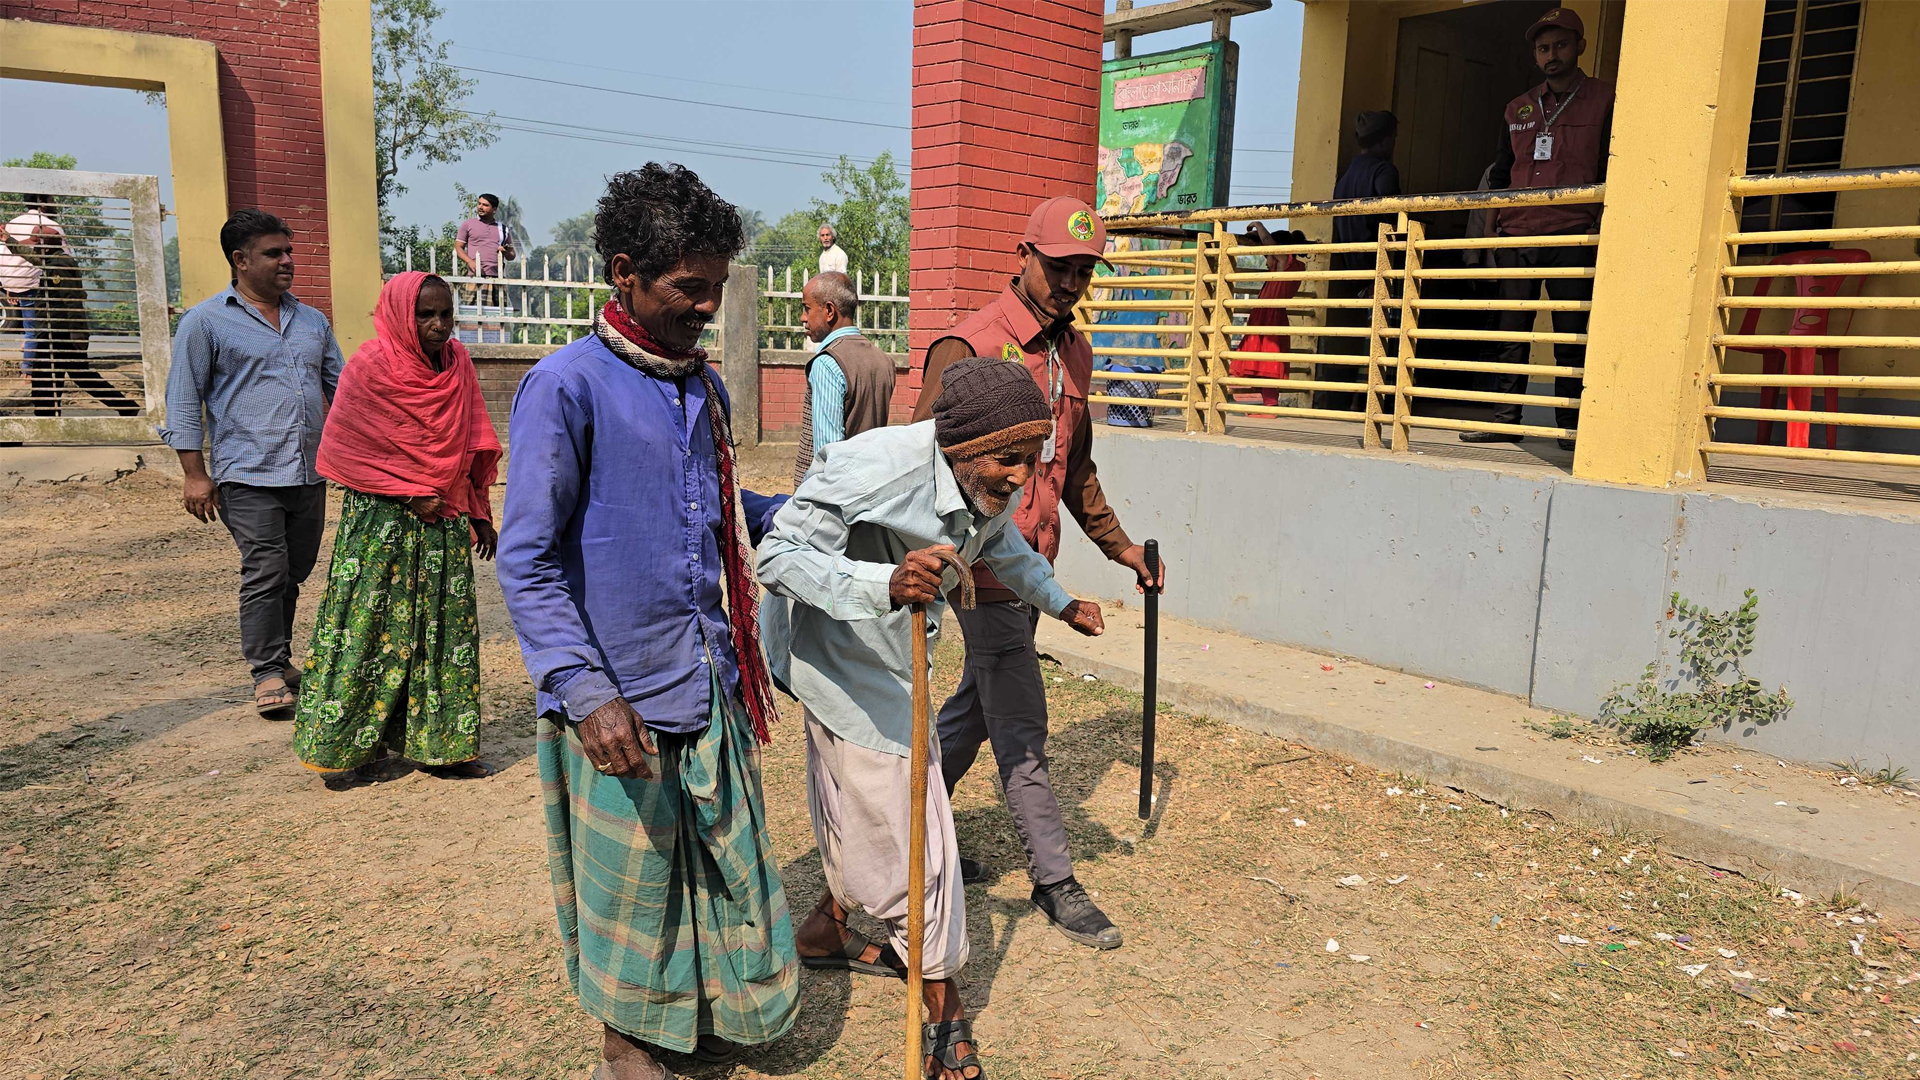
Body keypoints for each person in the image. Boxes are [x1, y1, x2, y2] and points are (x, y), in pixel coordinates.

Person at [495, 163, 797, 1080]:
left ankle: (696, 1015)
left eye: (716, 288)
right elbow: (528, 559)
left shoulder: (704, 389)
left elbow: (715, 504)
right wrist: (586, 695)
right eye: (688, 288)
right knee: (635, 887)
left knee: (711, 864)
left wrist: (806, 515)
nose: (708, 308)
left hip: (706, 673)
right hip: (617, 693)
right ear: (624, 271)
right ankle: (627, 1042)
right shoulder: (566, 387)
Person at [758, 356, 1108, 1080]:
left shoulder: (989, 485)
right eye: (1008, 460)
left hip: (895, 656)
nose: (1021, 477)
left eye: (1032, 461)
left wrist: (1060, 601)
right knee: (917, 832)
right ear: (960, 448)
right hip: (837, 655)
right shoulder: (874, 468)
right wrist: (882, 580)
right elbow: (777, 554)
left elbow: (1002, 546)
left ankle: (826, 928)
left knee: (866, 813)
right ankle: (945, 1016)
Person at [912, 196, 1165, 951]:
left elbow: (1074, 467)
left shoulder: (1074, 351)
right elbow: (917, 464)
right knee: (1022, 727)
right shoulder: (970, 346)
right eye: (1060, 267)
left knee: (976, 712)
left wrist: (1119, 547)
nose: (1072, 283)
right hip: (982, 566)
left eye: (1086, 271)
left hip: (1037, 564)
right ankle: (1055, 880)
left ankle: (908, 825)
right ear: (1022, 256)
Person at [291, 272, 501, 784]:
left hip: (443, 522)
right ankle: (347, 749)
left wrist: (478, 511)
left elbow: (472, 441)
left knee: (443, 634)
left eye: (446, 314)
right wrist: (407, 492)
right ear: (399, 314)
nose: (437, 325)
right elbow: (345, 449)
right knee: (368, 632)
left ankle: (444, 747)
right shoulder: (370, 366)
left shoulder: (459, 365)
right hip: (383, 526)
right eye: (424, 314)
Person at [160, 209, 345, 718]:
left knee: (294, 570)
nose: (288, 261)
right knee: (265, 568)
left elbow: (344, 391)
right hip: (247, 474)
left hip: (309, 471)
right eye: (274, 253)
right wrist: (195, 474)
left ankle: (279, 659)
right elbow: (183, 399)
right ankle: (265, 671)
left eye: (289, 251)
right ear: (240, 260)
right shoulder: (205, 322)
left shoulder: (312, 321)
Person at [1461, 6, 1613, 450]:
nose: (1552, 54)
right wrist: (1492, 231)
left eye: (1561, 45)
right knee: (1511, 333)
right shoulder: (1517, 107)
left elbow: (1611, 166)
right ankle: (1505, 421)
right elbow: (1501, 174)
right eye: (1543, 48)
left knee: (1571, 336)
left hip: (1574, 233)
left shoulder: (1606, 99)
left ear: (1580, 46)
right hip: (1518, 233)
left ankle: (1571, 428)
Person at [1315, 110, 1401, 415]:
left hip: (1352, 273)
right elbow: (1392, 218)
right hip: (1380, 269)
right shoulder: (1383, 171)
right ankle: (1377, 406)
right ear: (1386, 140)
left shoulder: (1344, 179)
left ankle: (1350, 402)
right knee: (1387, 344)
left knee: (1360, 342)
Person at [28, 213, 139, 417]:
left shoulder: (58, 266)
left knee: (45, 377)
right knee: (78, 375)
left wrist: (77, 335)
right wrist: (8, 241)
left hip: (60, 334)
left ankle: (45, 421)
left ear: (44, 247)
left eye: (35, 244)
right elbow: (31, 257)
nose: (33, 248)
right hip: (57, 332)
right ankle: (126, 406)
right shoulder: (53, 261)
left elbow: (72, 301)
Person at [794, 269, 895, 483]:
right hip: (869, 486)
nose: (803, 317)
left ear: (829, 311)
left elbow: (828, 456)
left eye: (807, 308)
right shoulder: (883, 361)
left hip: (832, 500)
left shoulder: (827, 363)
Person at [1229, 222, 1305, 408]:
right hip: (1264, 318)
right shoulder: (1282, 269)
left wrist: (1258, 225)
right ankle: (1260, 404)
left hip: (1270, 320)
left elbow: (1269, 242)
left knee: (1267, 365)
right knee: (1257, 363)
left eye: (1267, 255)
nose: (1265, 261)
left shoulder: (1287, 265)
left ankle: (1269, 405)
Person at [1, 195, 70, 392]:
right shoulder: (50, 226)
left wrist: (8, 285)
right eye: (52, 199)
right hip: (33, 281)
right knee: (35, 327)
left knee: (30, 325)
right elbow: (63, 260)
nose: (55, 203)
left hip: (12, 280)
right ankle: (28, 370)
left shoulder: (13, 224)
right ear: (42, 201)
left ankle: (30, 353)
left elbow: (5, 253)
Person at [455, 193, 516, 309]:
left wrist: (506, 251)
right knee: (471, 315)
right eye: (479, 204)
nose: (480, 207)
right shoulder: (468, 225)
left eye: (485, 205)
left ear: (494, 209)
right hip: (475, 277)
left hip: (497, 279)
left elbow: (511, 255)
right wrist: (470, 262)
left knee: (497, 317)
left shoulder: (503, 229)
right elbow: (458, 247)